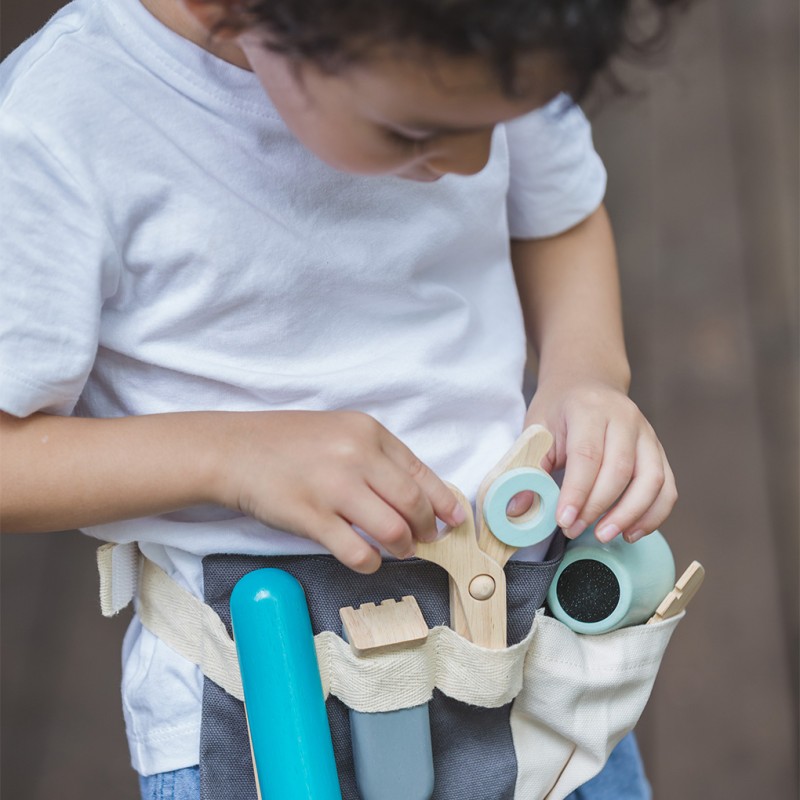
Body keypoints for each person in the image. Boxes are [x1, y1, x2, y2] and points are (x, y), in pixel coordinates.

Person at [0, 0, 682, 797]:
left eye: (502, 123)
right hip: (262, 721)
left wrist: (585, 375)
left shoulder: (496, 30)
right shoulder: (60, 119)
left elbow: (559, 215)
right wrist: (231, 457)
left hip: (534, 679)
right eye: (412, 132)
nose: (474, 163)